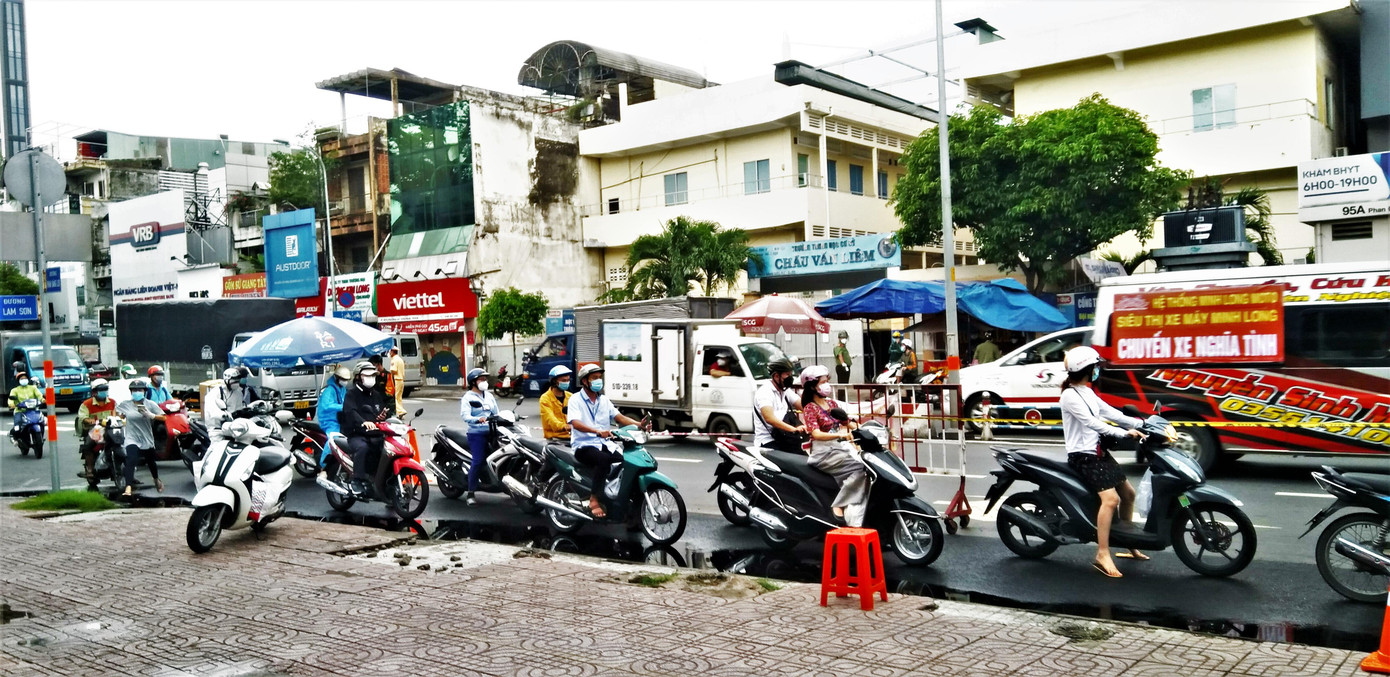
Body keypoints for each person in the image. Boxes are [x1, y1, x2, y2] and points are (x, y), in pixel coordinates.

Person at [1059, 346, 1147, 578]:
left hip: (1098, 453)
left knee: (1128, 494)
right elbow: (1092, 422)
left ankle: (1129, 543)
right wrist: (1123, 433)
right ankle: (1102, 553)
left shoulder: (1087, 391)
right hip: (1083, 457)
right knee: (1110, 500)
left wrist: (1142, 422)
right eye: (1095, 367)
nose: (1097, 370)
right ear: (1087, 369)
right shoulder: (1069, 396)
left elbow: (1111, 413)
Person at [567, 364, 640, 518]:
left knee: (624, 461)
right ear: (585, 381)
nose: (598, 381)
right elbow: (575, 423)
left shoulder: (604, 400)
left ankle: (612, 495)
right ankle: (594, 499)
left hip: (604, 443)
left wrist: (640, 425)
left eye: (599, 378)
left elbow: (619, 417)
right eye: (594, 378)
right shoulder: (575, 399)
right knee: (603, 460)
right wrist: (596, 431)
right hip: (584, 445)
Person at [800, 365, 868, 526]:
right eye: (822, 382)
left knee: (869, 467)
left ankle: (856, 519)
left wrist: (865, 432)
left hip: (839, 449)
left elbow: (846, 421)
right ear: (812, 386)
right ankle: (838, 504)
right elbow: (815, 434)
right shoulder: (810, 408)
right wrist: (840, 434)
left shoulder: (830, 403)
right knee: (860, 469)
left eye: (827, 381)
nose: (826, 385)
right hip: (823, 453)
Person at [341, 361, 390, 496]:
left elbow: (380, 412)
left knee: (387, 450)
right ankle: (357, 480)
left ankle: (382, 480)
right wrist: (363, 422)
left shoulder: (376, 395)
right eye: (367, 376)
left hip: (375, 434)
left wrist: (382, 417)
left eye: (373, 375)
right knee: (362, 447)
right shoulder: (351, 394)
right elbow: (351, 412)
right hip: (357, 434)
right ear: (358, 377)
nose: (371, 379)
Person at [115, 378, 165, 496]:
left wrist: (151, 415)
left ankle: (156, 479)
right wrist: (119, 417)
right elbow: (117, 414)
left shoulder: (150, 404)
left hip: (146, 437)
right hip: (132, 437)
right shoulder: (125, 404)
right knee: (131, 460)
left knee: (151, 462)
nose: (137, 392)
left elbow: (164, 417)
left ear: (144, 391)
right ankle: (128, 487)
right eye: (134, 390)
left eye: (139, 389)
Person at [460, 368, 500, 506]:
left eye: (485, 379)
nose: (485, 382)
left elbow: (496, 413)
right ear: (473, 382)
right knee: (477, 461)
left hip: (493, 432)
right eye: (481, 379)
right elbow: (465, 416)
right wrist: (477, 419)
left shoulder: (489, 396)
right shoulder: (468, 397)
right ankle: (471, 493)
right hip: (476, 434)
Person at [752, 358, 807, 454]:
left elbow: (802, 405)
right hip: (768, 441)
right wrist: (793, 429)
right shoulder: (765, 392)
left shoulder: (785, 391)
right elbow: (770, 418)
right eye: (787, 375)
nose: (790, 377)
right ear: (776, 376)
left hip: (785, 437)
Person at [76, 378, 117, 491]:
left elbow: (117, 414)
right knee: (89, 445)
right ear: (94, 392)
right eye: (101, 390)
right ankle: (90, 468)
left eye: (105, 389)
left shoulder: (112, 402)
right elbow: (83, 417)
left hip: (110, 429)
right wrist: (91, 421)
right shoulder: (87, 404)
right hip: (95, 429)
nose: (104, 392)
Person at [315, 365, 351, 468]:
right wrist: (342, 407)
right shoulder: (329, 390)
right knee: (334, 439)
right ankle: (324, 465)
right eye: (343, 379)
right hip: (328, 420)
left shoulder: (342, 389)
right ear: (337, 378)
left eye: (346, 380)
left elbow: (346, 401)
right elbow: (327, 406)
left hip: (339, 419)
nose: (345, 381)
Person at [539, 365, 572, 441]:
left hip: (572, 438)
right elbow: (550, 420)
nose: (566, 382)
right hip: (555, 440)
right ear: (554, 381)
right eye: (563, 381)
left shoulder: (571, 396)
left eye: (568, 380)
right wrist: (564, 426)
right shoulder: (545, 398)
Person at [389, 347, 407, 417]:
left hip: (396, 379)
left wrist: (390, 371)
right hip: (401, 379)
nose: (389, 353)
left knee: (395, 397)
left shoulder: (394, 360)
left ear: (392, 352)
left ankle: (401, 411)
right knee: (399, 397)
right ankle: (400, 413)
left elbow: (394, 370)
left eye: (390, 352)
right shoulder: (400, 359)